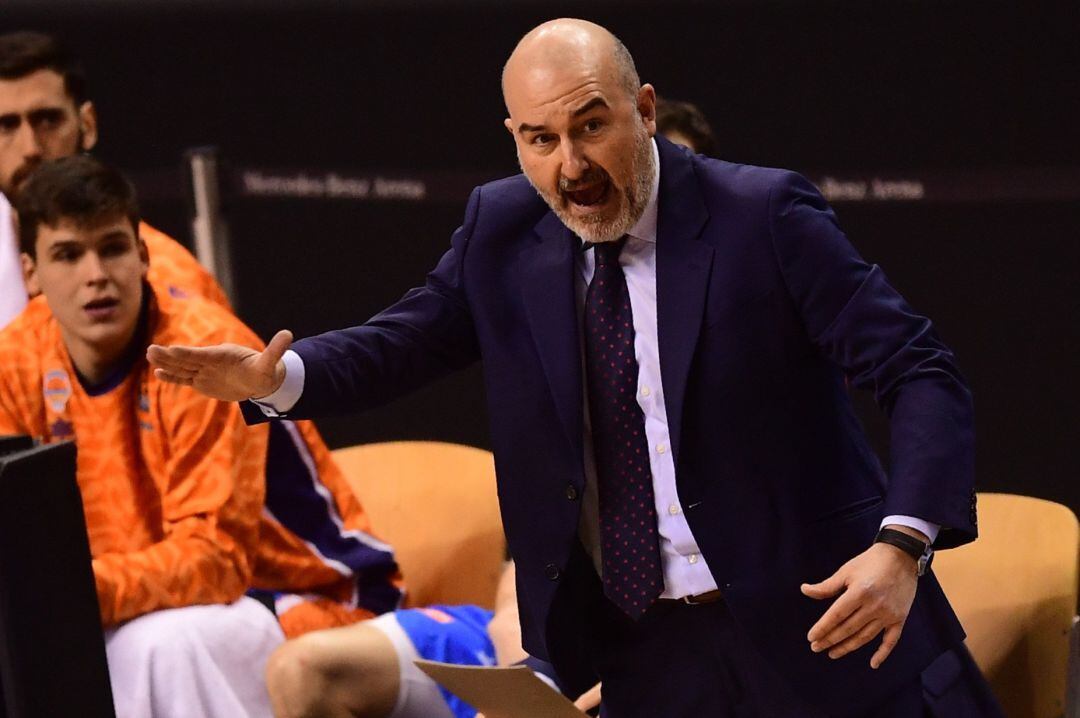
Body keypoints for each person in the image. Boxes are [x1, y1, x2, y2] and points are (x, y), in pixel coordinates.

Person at [149, 19, 1001, 717]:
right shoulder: (505, 227)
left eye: (592, 126)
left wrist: (902, 546)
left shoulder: (761, 214)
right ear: (514, 139)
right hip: (653, 658)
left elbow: (918, 367)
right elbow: (404, 340)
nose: (571, 165)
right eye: (540, 138)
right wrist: (279, 380)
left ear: (646, 110)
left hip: (825, 627)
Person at [0, 155, 404, 717]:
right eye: (68, 255)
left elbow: (214, 562)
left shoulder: (200, 355)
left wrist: (69, 594)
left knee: (161, 646)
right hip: (151, 601)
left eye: (113, 248)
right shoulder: (14, 360)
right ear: (30, 274)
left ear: (143, 256)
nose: (96, 274)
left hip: (311, 595)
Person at [0, 30, 229, 330]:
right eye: (6, 125)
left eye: (48, 120)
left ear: (88, 125)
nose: (30, 147)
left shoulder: (168, 277)